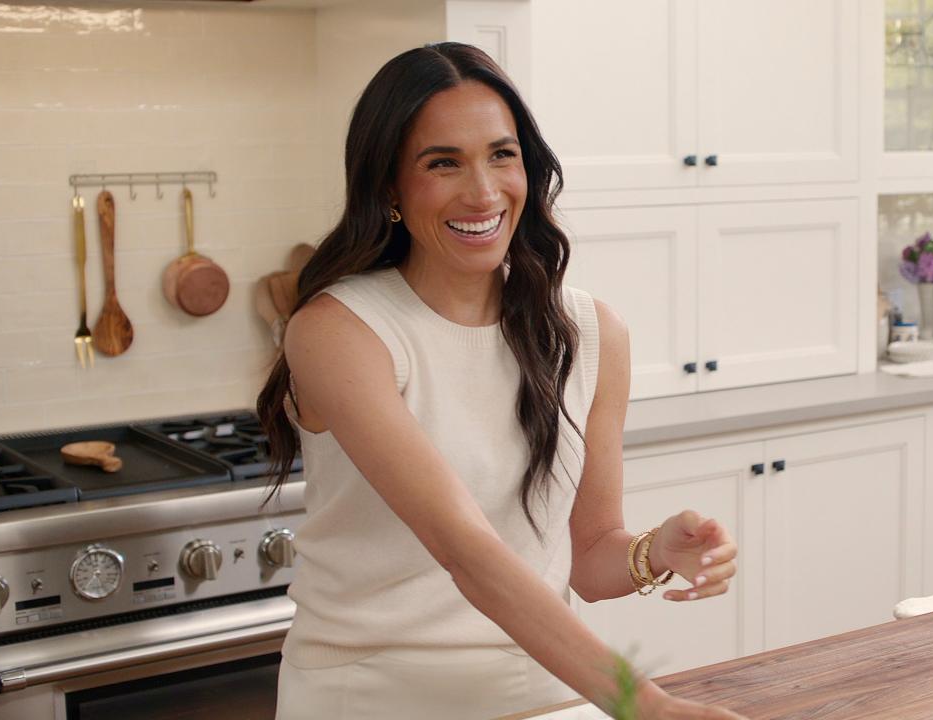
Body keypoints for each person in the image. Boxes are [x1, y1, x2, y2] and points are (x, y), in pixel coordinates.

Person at [256, 43, 746, 720]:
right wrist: (649, 707)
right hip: (373, 700)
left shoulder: (591, 331)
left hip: (544, 701)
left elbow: (588, 559)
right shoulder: (340, 332)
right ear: (390, 188)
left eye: (501, 154)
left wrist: (653, 551)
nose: (484, 192)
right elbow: (467, 551)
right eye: (442, 163)